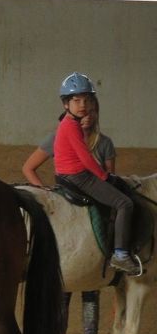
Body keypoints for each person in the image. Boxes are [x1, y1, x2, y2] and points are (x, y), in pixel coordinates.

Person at [22, 103, 116, 334]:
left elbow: (110, 178)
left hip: (93, 213)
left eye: (92, 110)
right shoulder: (58, 137)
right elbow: (29, 167)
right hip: (67, 212)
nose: (87, 114)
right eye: (82, 110)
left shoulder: (105, 143)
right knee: (61, 288)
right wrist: (46, 194)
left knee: (91, 290)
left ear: (97, 113)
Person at [54, 72, 140, 277]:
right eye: (76, 100)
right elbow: (85, 158)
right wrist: (104, 176)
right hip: (78, 176)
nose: (82, 105)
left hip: (66, 175)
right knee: (124, 203)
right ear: (66, 104)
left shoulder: (67, 122)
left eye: (87, 100)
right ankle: (120, 254)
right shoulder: (71, 126)